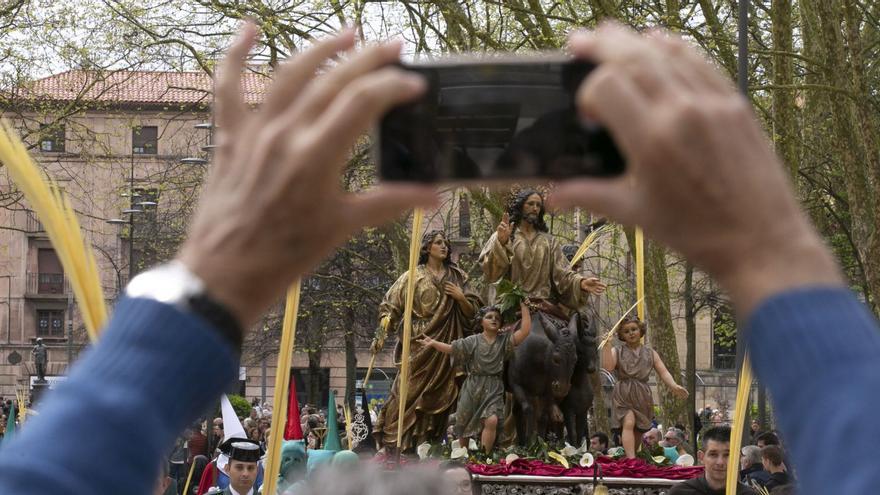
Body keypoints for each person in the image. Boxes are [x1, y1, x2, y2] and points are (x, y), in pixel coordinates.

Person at [0, 21, 876, 495]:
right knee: (483, 378)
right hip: (472, 342)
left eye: (533, 201)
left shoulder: (545, 246)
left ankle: (572, 432)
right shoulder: (493, 250)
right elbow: (490, 274)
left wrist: (215, 275)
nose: (530, 206)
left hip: (553, 310)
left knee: (573, 361)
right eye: (526, 204)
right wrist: (776, 257)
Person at [371, 231, 480, 452]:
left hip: (447, 342)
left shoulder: (458, 277)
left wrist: (460, 297)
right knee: (406, 392)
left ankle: (428, 444)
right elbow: (390, 308)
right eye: (438, 243)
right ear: (427, 248)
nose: (444, 247)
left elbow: (475, 314)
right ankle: (394, 442)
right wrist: (381, 334)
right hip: (417, 344)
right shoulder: (412, 276)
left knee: (442, 396)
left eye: (446, 244)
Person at [419, 303, 532, 453]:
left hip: (493, 387)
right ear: (481, 321)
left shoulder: (504, 341)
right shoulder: (473, 341)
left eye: (497, 318)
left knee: (491, 420)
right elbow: (453, 349)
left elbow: (524, 331)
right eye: (489, 317)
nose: (494, 319)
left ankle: (485, 456)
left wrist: (524, 307)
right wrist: (433, 343)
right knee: (464, 422)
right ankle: (463, 453)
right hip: (473, 386)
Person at [602, 316, 688, 458]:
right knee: (628, 422)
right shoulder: (617, 351)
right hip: (624, 391)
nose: (631, 333)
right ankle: (631, 459)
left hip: (642, 394)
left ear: (641, 330)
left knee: (638, 429)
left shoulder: (651, 353)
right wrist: (606, 346)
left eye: (634, 329)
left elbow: (663, 371)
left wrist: (674, 386)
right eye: (626, 331)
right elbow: (608, 366)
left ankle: (631, 455)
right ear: (622, 335)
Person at [668, 426, 756, 495]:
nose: (720, 462)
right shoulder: (681, 492)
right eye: (713, 454)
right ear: (701, 457)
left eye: (727, 455)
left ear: (738, 458)